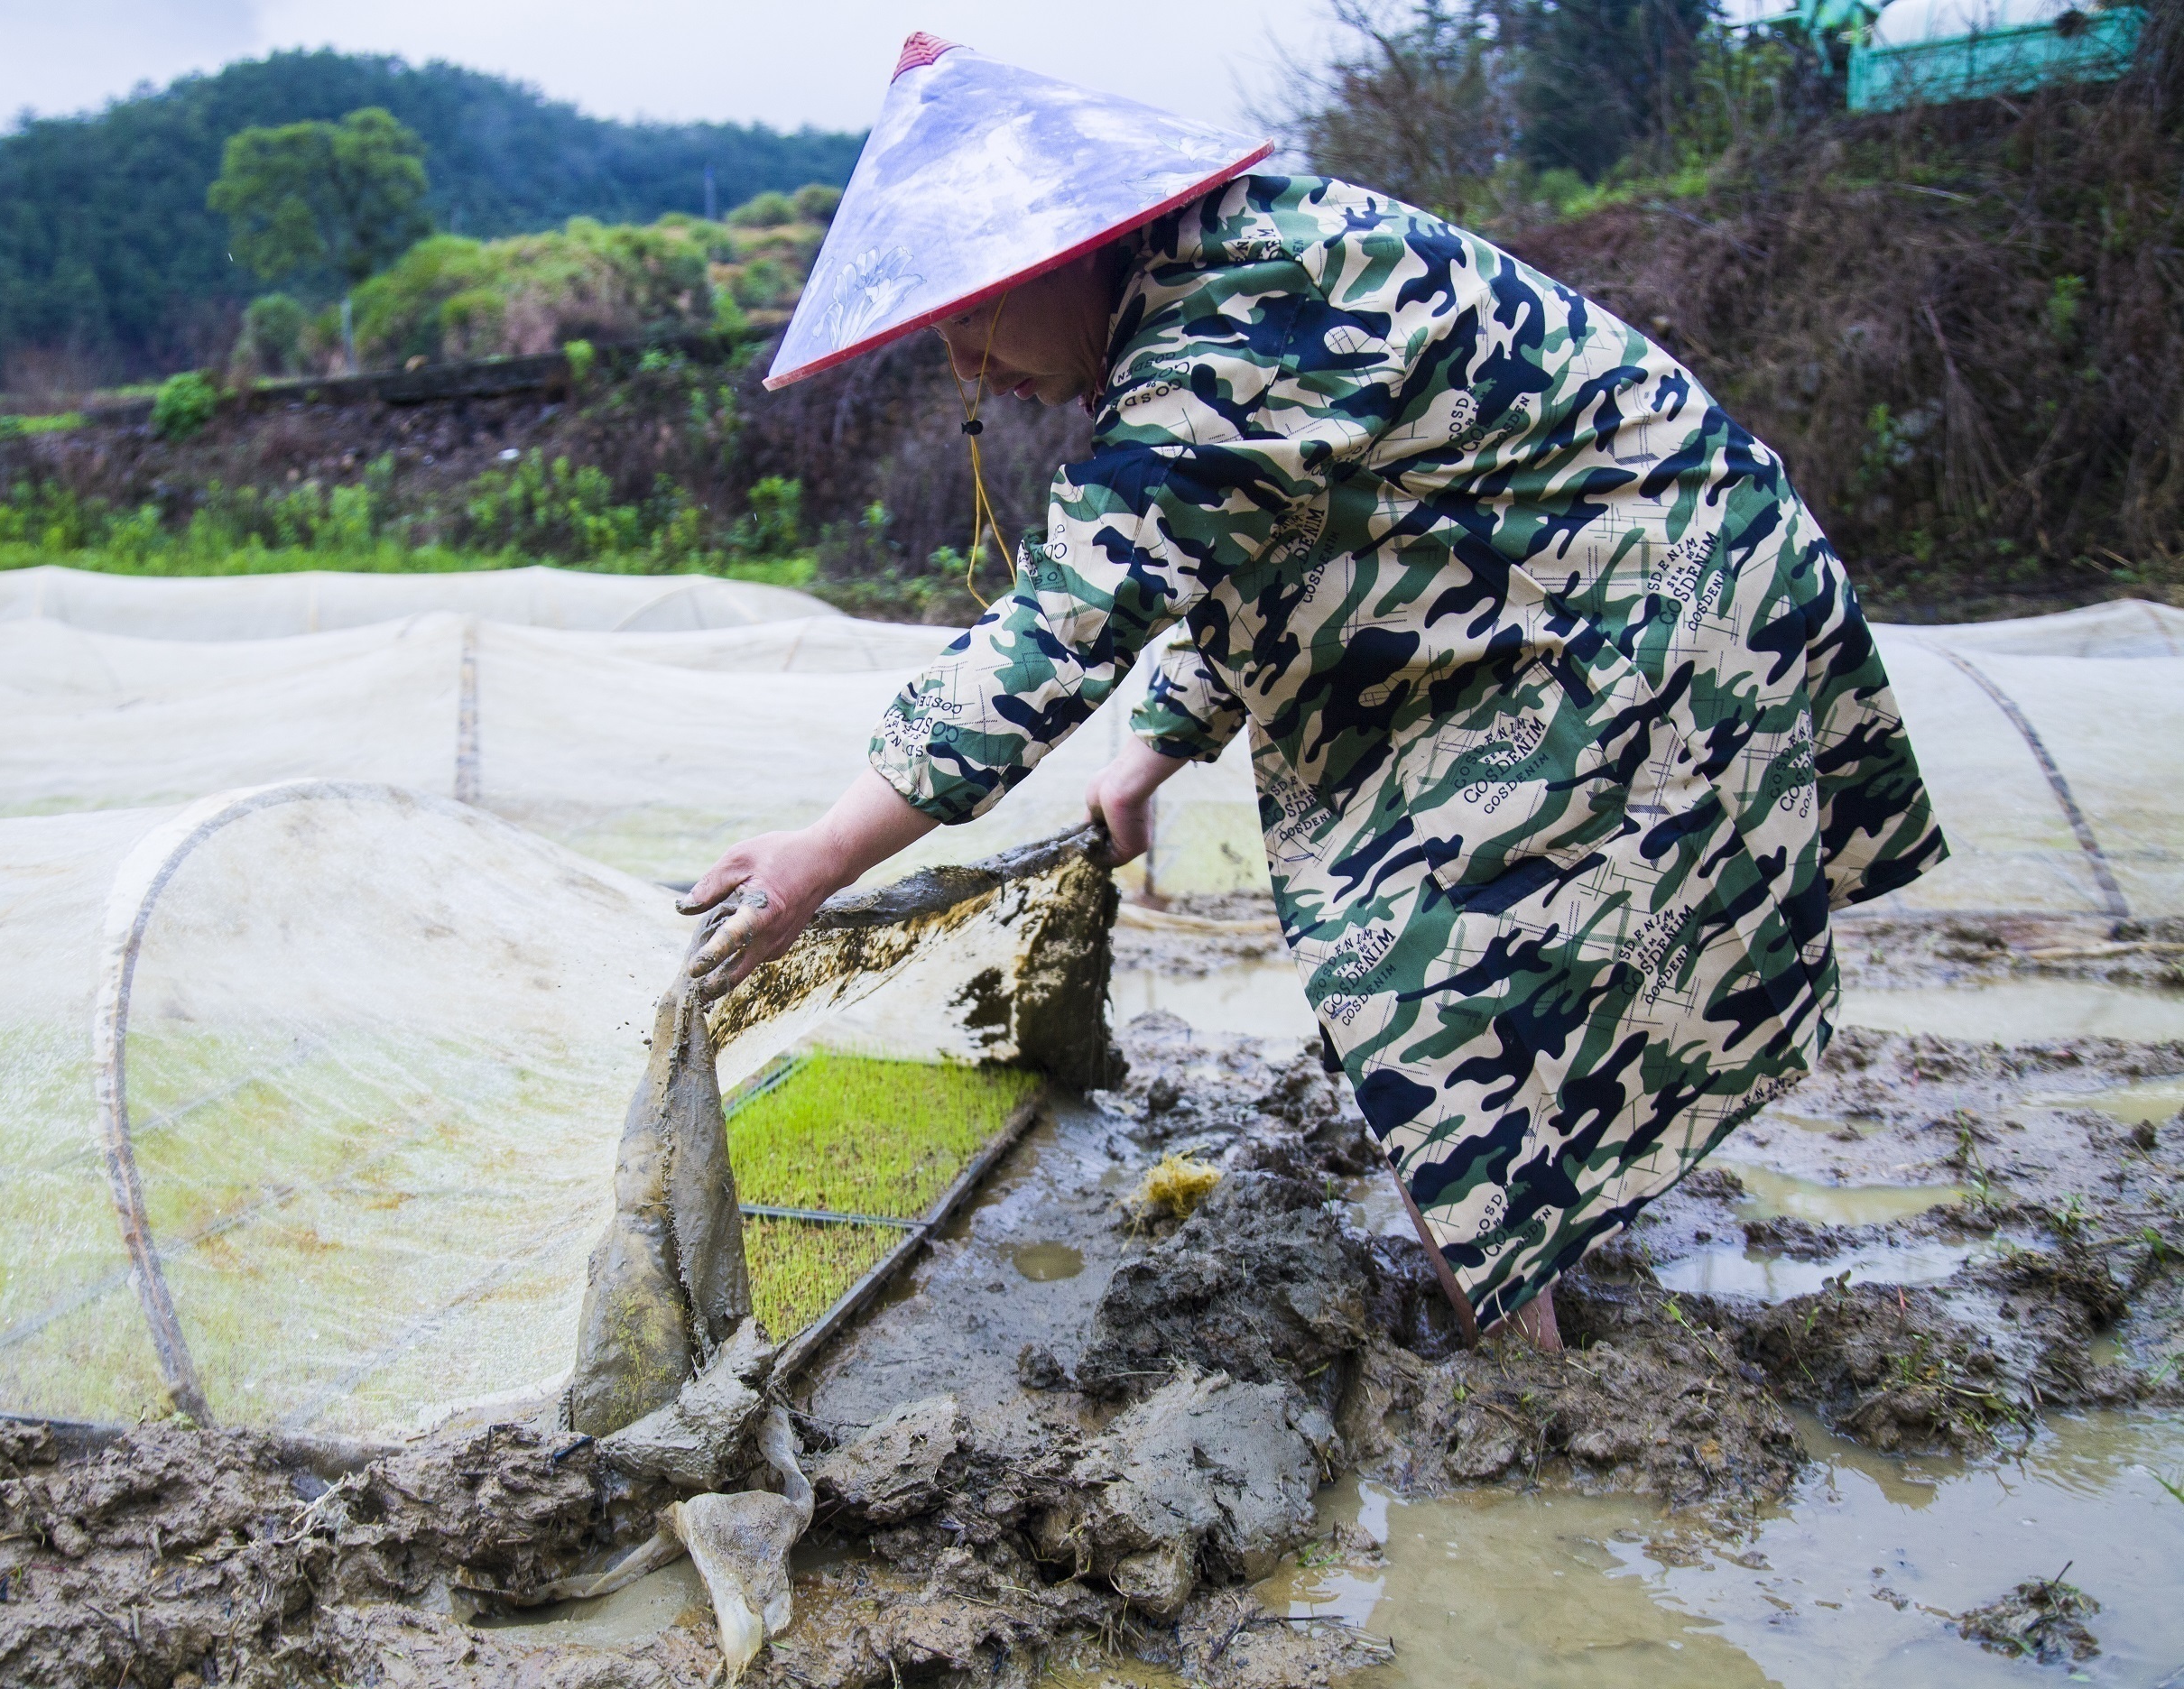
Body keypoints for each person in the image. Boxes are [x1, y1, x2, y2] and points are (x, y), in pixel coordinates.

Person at [680, 34, 1945, 1352]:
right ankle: (1530, 1287)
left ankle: (1530, 1394)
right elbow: (1267, 554)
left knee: (1420, 967)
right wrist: (1153, 753)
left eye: (971, 321)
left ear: (1060, 252)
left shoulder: (1237, 315)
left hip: (1656, 607)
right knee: (1429, 956)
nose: (972, 369)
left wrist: (821, 855)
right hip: (1585, 606)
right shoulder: (1201, 299)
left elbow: (1060, 627)